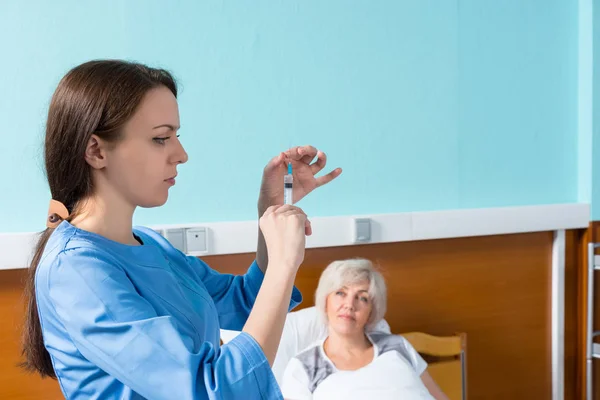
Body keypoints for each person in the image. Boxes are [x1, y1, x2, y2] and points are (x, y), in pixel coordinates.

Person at [20, 59, 342, 400]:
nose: (181, 154)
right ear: (96, 150)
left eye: (177, 136)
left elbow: (245, 303)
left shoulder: (152, 245)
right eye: (161, 138)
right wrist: (283, 263)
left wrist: (269, 209)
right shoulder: (76, 270)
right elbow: (212, 389)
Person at [280, 258, 448, 400]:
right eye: (341, 293)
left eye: (362, 298)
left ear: (371, 312)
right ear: (325, 302)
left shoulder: (397, 346)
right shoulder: (304, 367)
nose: (349, 305)